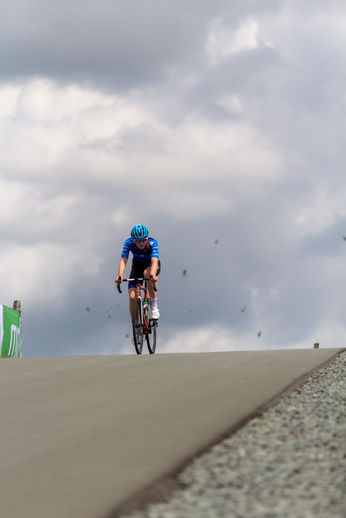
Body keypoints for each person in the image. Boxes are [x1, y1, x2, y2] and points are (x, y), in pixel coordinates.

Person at [115, 224, 160, 320]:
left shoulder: (153, 243)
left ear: (147, 238)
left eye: (143, 240)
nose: (141, 243)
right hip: (137, 265)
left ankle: (154, 306)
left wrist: (153, 274)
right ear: (133, 240)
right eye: (137, 241)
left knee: (147, 274)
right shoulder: (128, 243)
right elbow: (123, 260)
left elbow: (155, 261)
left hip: (150, 265)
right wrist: (120, 275)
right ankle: (136, 326)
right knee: (132, 298)